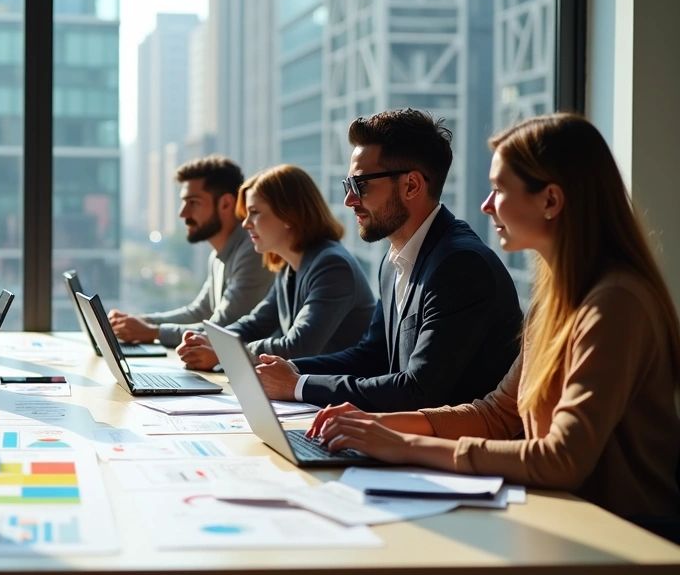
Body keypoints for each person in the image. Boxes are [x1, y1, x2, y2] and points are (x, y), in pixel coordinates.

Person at [307, 113, 680, 521]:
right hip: (564, 523)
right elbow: (498, 415)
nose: (486, 206)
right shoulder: (556, 299)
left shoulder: (615, 303)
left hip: (625, 541)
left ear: (551, 200)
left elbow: (561, 458)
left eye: (498, 189)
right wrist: (374, 425)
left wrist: (404, 445)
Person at [254, 109, 522, 412]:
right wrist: (287, 370)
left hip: (454, 451)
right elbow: (374, 356)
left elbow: (419, 390)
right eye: (348, 185)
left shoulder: (461, 265)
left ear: (411, 185)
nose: (349, 200)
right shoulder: (393, 260)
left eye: (361, 185)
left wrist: (298, 386)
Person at [176, 165, 375, 371]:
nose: (245, 224)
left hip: (340, 396)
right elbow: (256, 324)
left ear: (288, 215)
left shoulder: (333, 266)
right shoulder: (289, 266)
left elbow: (298, 346)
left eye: (254, 212)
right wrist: (209, 340)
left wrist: (225, 353)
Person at [109, 155, 275, 347]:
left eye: (193, 202)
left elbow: (222, 329)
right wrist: (141, 322)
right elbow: (200, 312)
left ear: (226, 204)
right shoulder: (218, 255)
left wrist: (152, 332)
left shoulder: (253, 251)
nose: (183, 213)